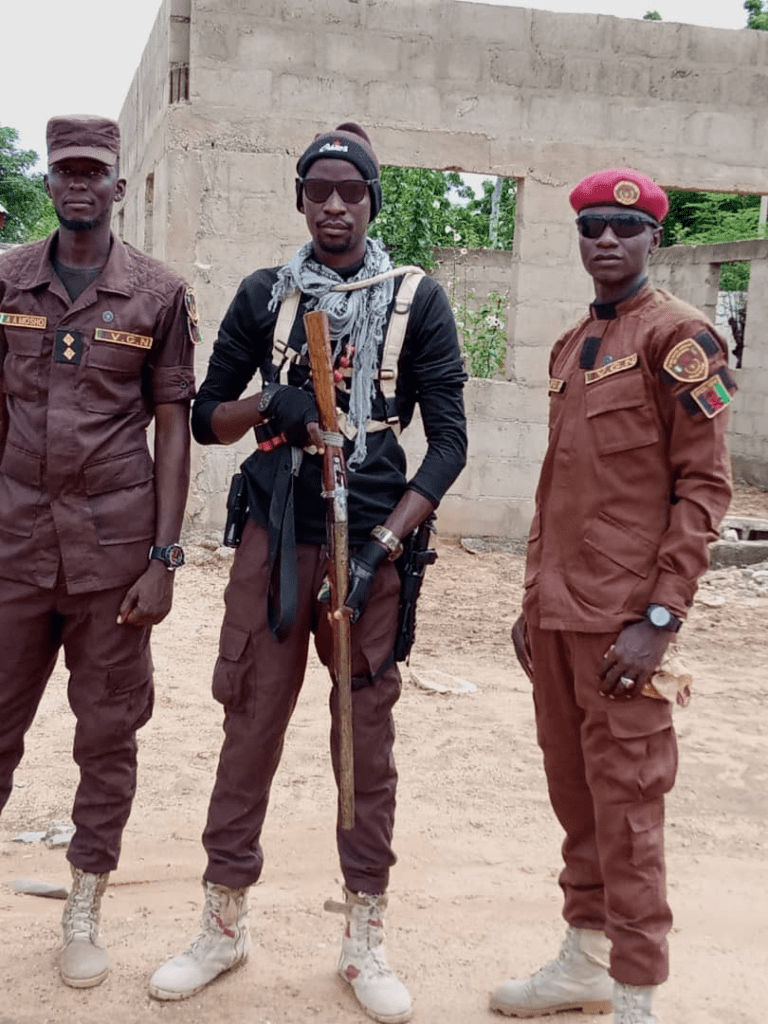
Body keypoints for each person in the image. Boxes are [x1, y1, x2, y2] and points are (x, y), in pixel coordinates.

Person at [149, 122, 467, 1023]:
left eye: (352, 192)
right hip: (276, 531)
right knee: (250, 720)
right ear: (300, 200)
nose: (335, 206)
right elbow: (208, 415)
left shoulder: (417, 302)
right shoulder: (267, 297)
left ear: (373, 201)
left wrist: (382, 547)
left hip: (370, 545)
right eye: (319, 191)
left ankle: (364, 940)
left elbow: (448, 445)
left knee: (363, 737)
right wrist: (268, 405)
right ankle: (223, 925)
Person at [490, 169, 736, 1024]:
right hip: (559, 620)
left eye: (623, 229)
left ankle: (636, 994)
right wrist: (532, 600)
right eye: (592, 226)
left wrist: (661, 618)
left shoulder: (683, 339)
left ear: (651, 240)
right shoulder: (568, 347)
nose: (605, 240)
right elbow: (555, 489)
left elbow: (703, 490)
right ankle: (586, 959)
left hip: (626, 626)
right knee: (577, 798)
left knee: (629, 809)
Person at [0, 115, 196, 988]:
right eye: (66, 171)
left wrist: (164, 557)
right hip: (13, 548)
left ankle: (84, 906)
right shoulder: (5, 279)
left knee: (108, 735)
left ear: (119, 187)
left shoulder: (158, 293)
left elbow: (174, 421)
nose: (80, 184)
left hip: (114, 560)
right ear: (49, 183)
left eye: (96, 173)